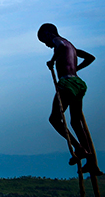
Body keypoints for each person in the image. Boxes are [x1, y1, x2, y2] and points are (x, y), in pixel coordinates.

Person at [37, 23, 101, 175]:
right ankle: (91, 162)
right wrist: (74, 68)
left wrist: (52, 61)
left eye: (44, 40)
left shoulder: (58, 42)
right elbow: (90, 57)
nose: (46, 45)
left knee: (54, 119)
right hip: (78, 83)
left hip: (67, 83)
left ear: (48, 34)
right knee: (76, 122)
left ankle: (79, 148)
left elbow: (58, 46)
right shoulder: (71, 46)